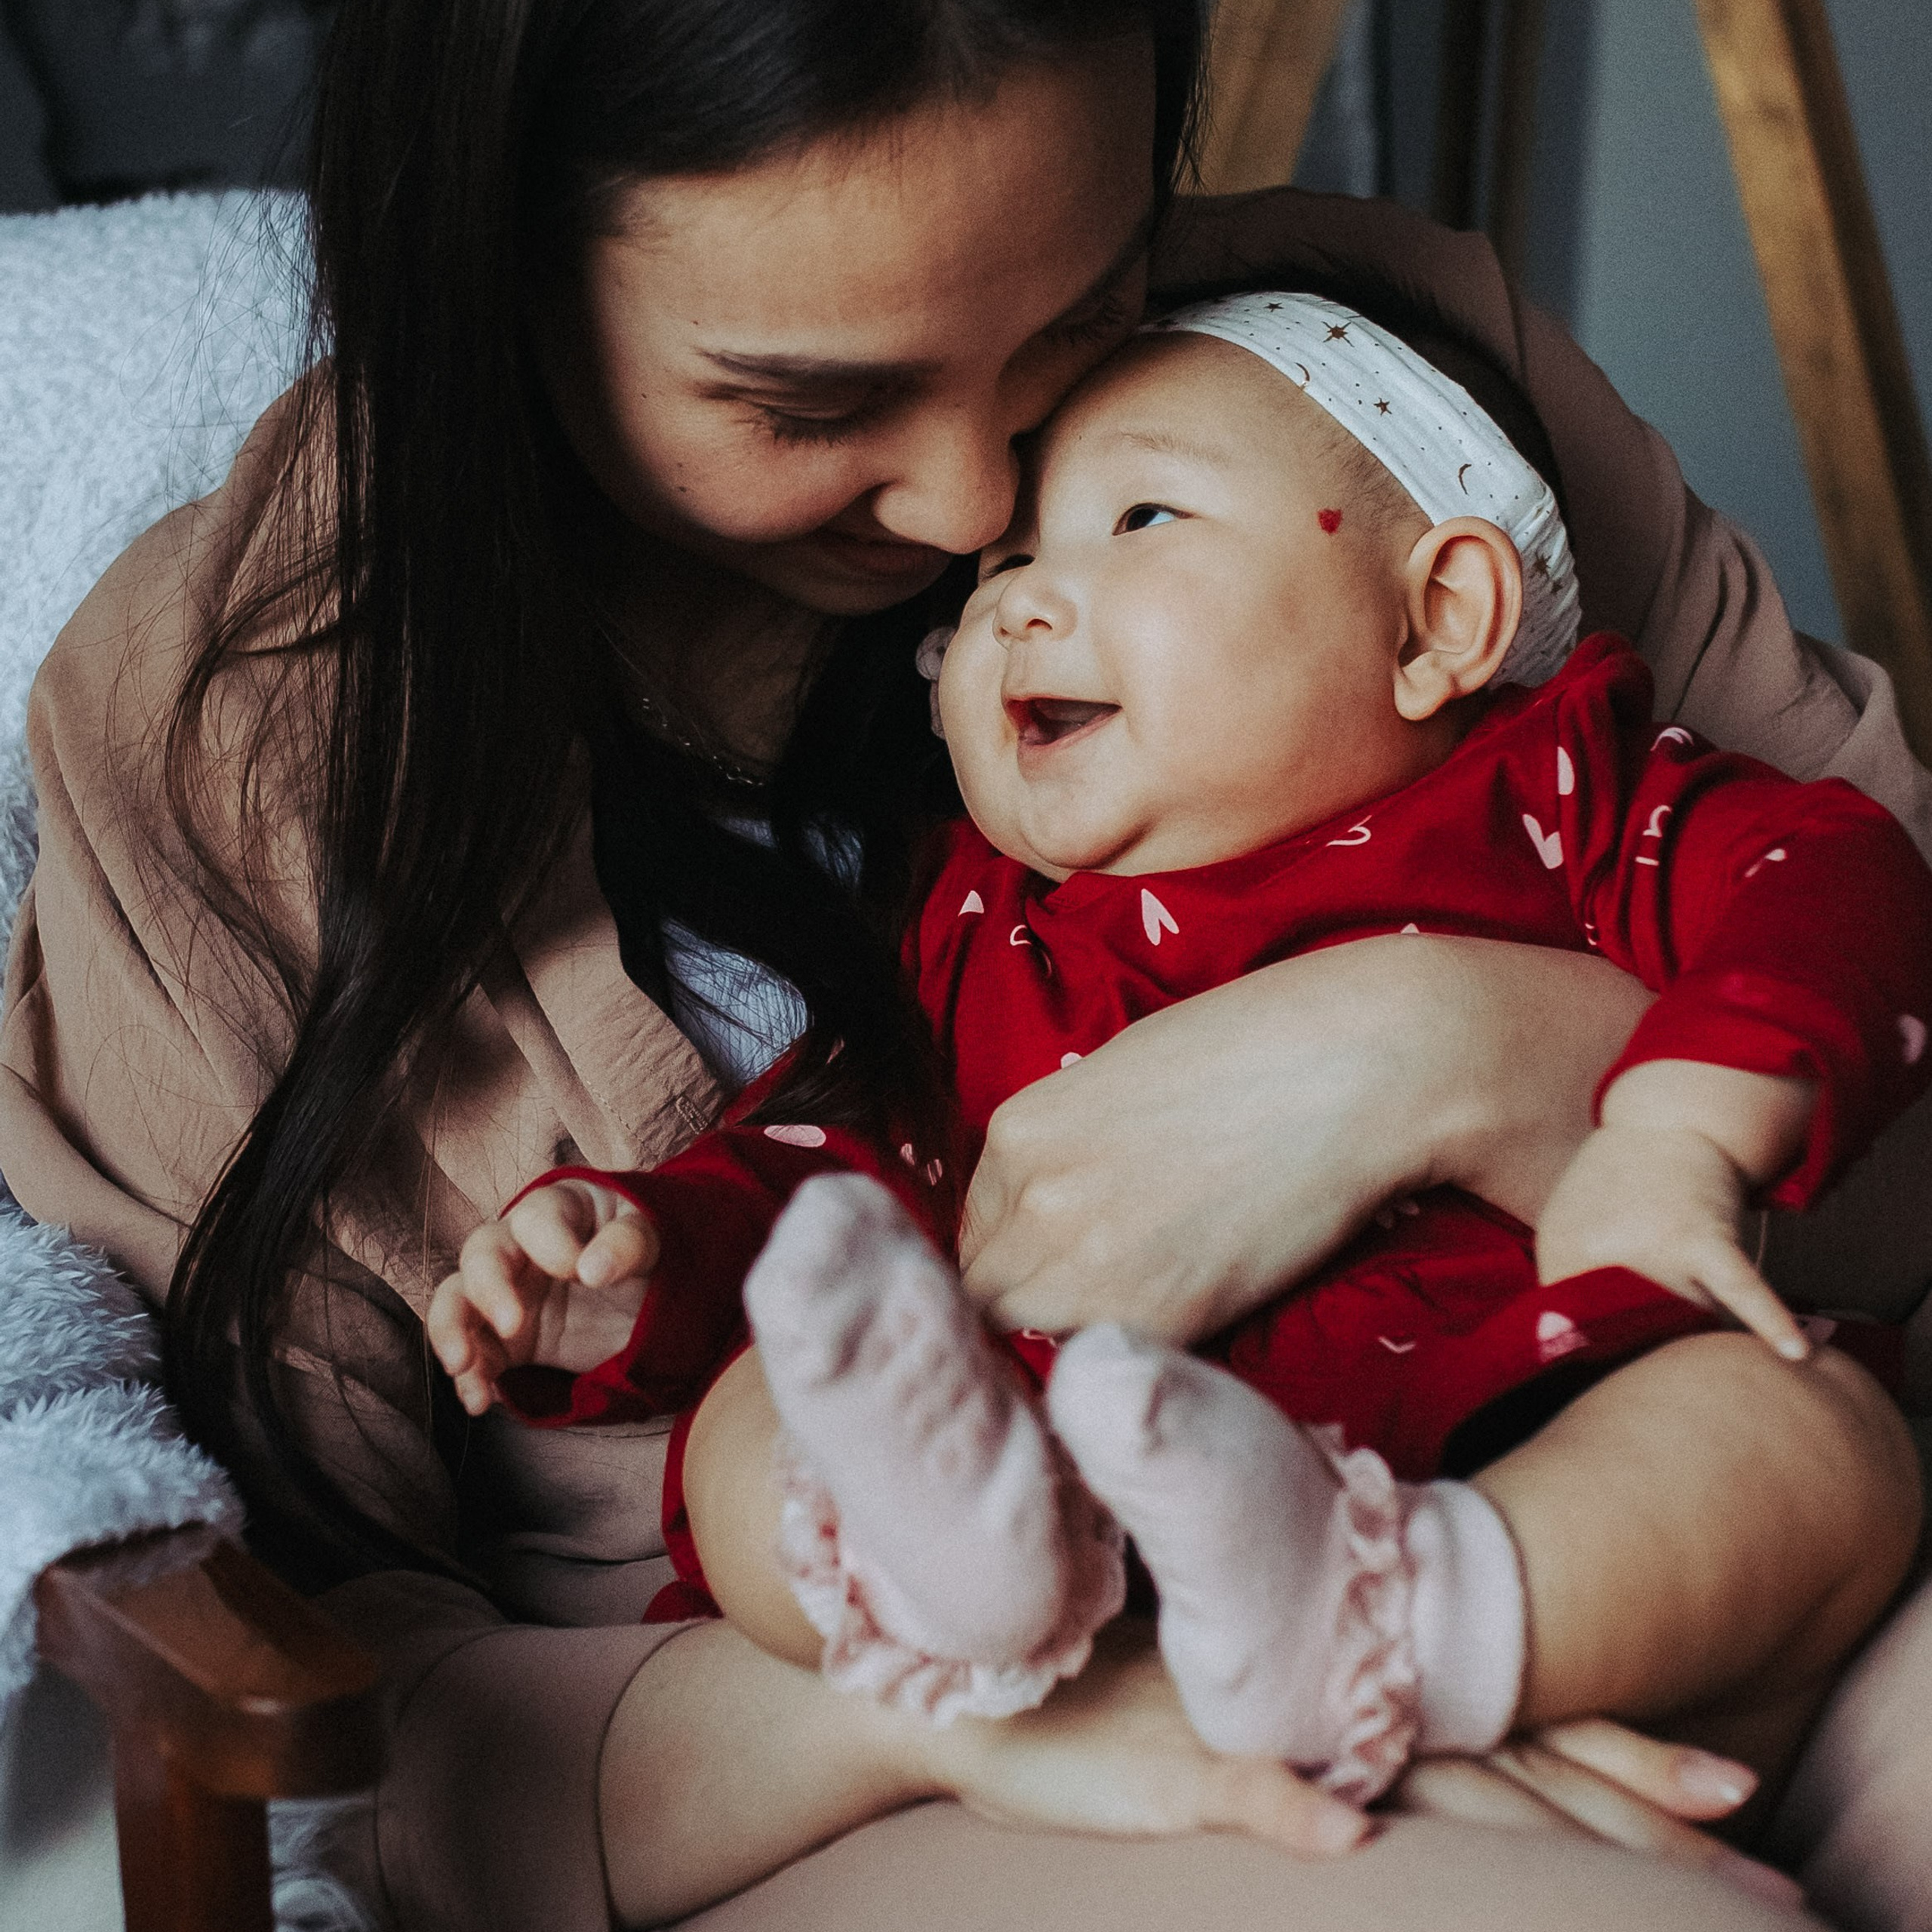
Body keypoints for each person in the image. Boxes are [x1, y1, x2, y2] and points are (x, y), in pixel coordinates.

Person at [3, 2, 1930, 1927]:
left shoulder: (1376, 382)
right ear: (493, 262)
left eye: (1080, 317)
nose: (971, 517)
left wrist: (1454, 1047)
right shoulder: (231, 734)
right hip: (816, 1757)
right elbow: (314, 1708)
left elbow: (1858, 994)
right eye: (811, 405)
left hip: (1572, 1494)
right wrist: (971, 1717)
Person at [425, 290, 1927, 1810]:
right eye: (1000, 568)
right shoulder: (972, 927)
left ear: (1434, 622)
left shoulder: (1550, 797)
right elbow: (838, 1158)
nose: (1015, 600)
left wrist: (1677, 1134)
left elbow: (1825, 877)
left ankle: (1395, 1619)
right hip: (1062, 1458)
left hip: (1515, 1425)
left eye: (1138, 516)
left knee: (1814, 1440)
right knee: (764, 1406)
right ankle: (961, 1565)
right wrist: (637, 1257)